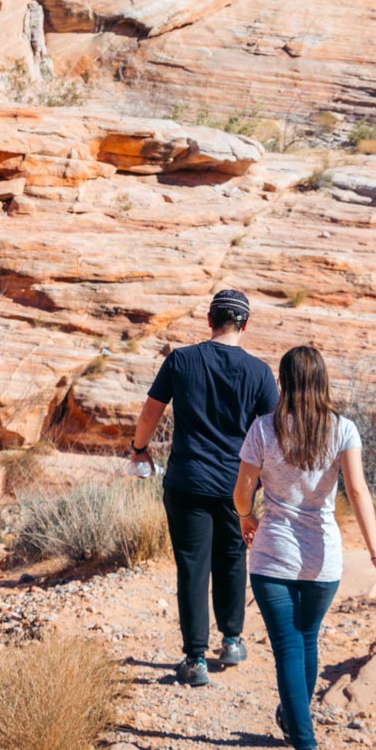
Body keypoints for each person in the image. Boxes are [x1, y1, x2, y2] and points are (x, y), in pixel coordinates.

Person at [233, 344, 376, 750]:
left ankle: (305, 748)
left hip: (273, 555)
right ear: (323, 380)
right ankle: (295, 721)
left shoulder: (264, 430)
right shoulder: (343, 429)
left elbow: (242, 490)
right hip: (323, 559)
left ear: (283, 381)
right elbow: (358, 492)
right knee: (306, 639)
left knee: (289, 645)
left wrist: (247, 517)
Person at [129, 289, 278, 688]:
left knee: (192, 566)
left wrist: (139, 449)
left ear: (209, 320)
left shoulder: (181, 360)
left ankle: (195, 659)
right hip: (238, 485)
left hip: (188, 481)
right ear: (245, 324)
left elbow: (150, 412)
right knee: (232, 558)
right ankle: (232, 640)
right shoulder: (261, 373)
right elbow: (274, 432)